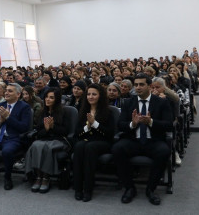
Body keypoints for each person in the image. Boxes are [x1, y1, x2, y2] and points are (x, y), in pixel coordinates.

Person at [112, 73, 172, 205]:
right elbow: (120, 125)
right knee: (117, 149)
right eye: (136, 85)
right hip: (133, 140)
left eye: (141, 84)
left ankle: (151, 189)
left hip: (153, 141)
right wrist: (132, 124)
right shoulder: (128, 102)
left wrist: (151, 122)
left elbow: (169, 125)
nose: (138, 87)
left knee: (164, 152)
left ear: (150, 86)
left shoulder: (162, 103)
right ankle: (129, 188)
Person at [73, 83, 114, 202]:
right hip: (86, 141)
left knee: (90, 147)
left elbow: (110, 133)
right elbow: (77, 132)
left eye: (94, 94)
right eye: (89, 94)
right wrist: (88, 127)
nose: (90, 97)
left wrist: (95, 124)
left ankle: (88, 189)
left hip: (102, 142)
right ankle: (78, 188)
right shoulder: (83, 110)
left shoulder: (108, 111)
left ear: (100, 96)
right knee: (79, 146)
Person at [25, 88, 70, 193]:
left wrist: (53, 126)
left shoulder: (64, 111)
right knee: (36, 145)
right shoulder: (42, 112)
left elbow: (66, 131)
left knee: (47, 147)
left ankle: (46, 178)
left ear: (57, 99)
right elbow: (39, 132)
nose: (48, 99)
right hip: (44, 138)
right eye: (46, 97)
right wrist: (46, 129)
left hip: (59, 139)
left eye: (51, 97)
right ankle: (38, 177)